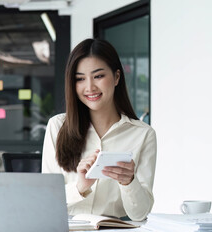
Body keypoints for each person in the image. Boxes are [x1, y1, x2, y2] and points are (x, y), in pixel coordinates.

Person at [42, 38, 157, 221]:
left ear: (117, 77)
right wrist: (80, 186)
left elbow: (140, 214)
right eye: (80, 79)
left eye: (98, 76)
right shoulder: (57, 127)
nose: (89, 87)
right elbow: (46, 202)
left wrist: (129, 182)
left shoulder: (143, 134)